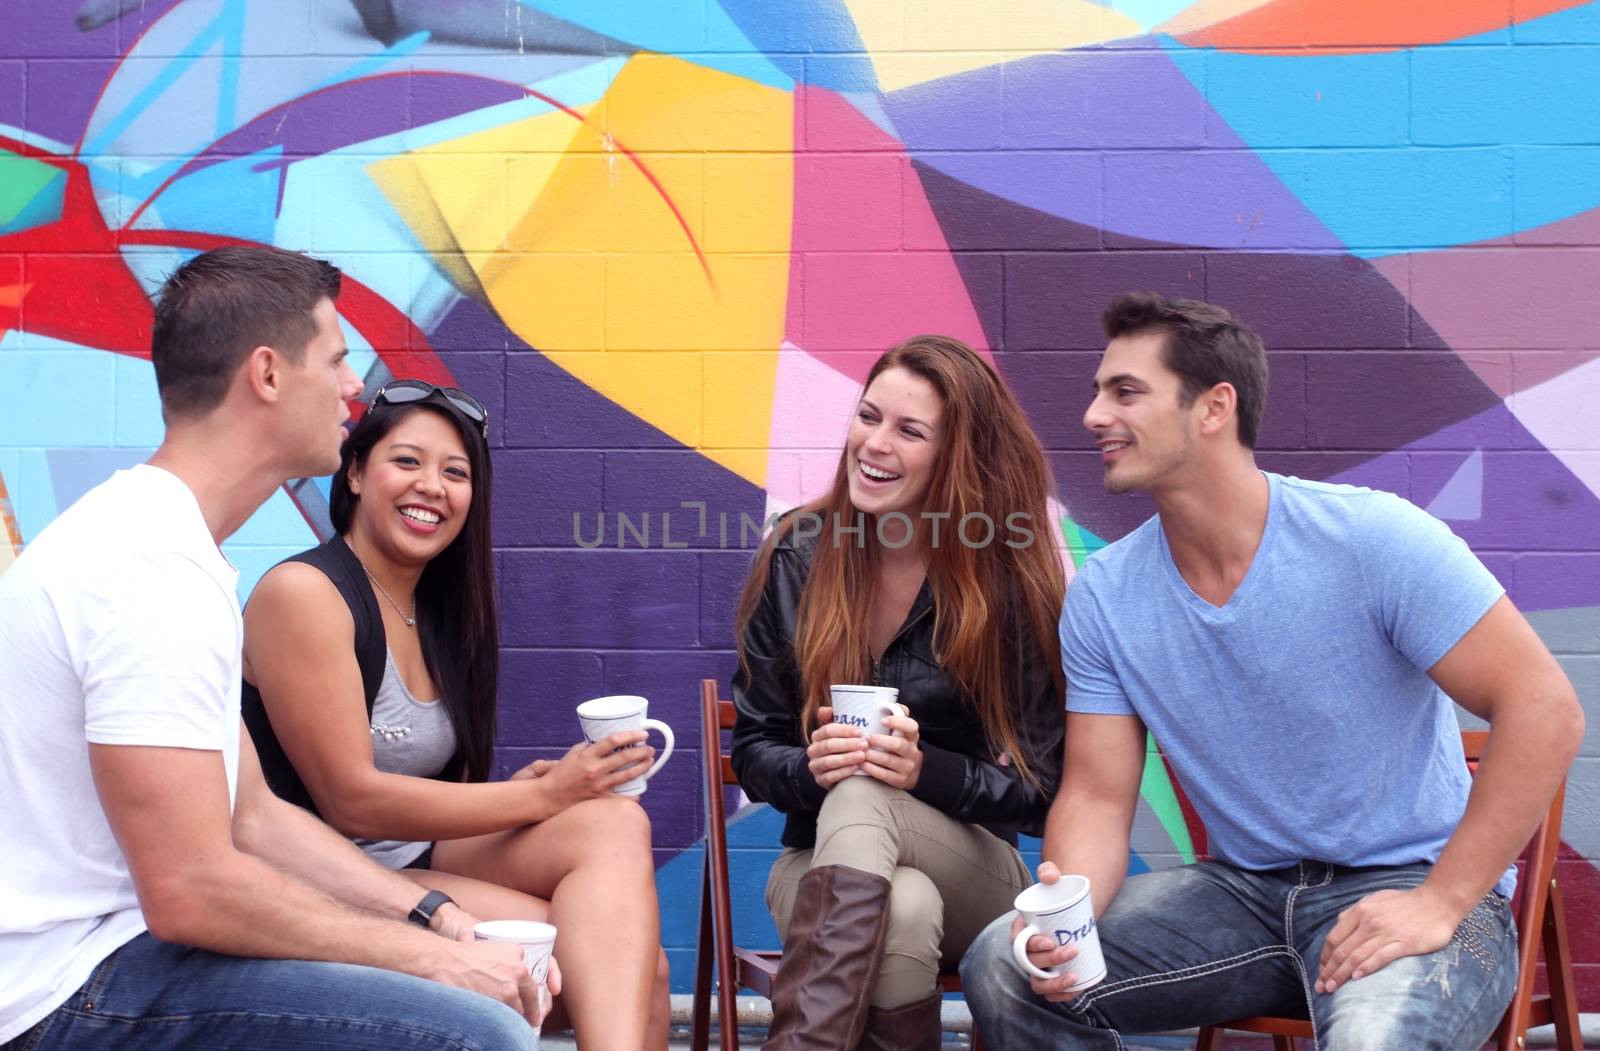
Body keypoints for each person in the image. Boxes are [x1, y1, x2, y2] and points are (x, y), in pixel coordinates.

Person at [959, 293, 1586, 1050]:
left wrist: (1443, 897)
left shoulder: (1370, 539)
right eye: (1098, 392)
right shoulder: (1106, 593)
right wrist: (1066, 922)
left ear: (1213, 407)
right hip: (1242, 900)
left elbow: (1545, 708)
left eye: (1125, 391)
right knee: (1003, 960)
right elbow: (1094, 794)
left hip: (1412, 886)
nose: (1093, 415)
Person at [0, 246, 553, 1050]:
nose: (353, 388)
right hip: (68, 993)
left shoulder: (167, 546)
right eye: (335, 360)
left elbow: (255, 818)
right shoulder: (145, 569)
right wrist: (438, 964)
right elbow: (192, 889)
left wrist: (438, 917)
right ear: (267, 373)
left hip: (124, 958)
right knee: (475, 1032)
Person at [240, 379, 672, 1050]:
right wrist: (534, 795)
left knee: (614, 820)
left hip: (404, 857)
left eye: (456, 472)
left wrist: (533, 798)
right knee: (620, 971)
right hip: (320, 875)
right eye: (407, 461)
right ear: (356, 471)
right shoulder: (306, 593)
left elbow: (437, 796)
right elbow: (351, 801)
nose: (432, 486)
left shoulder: (443, 612)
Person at [731, 335, 1068, 1050]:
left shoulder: (1004, 580)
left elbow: (1042, 786)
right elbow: (756, 745)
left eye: (909, 430)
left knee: (866, 796)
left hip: (973, 868)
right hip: (815, 862)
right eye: (868, 415)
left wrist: (926, 772)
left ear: (956, 456)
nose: (874, 443)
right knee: (903, 906)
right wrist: (806, 766)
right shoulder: (797, 553)